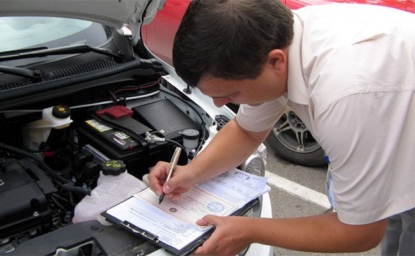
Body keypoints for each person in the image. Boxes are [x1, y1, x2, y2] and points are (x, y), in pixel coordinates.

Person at [148, 0, 415, 255]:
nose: (218, 103)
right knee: (394, 222)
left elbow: (361, 232)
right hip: (397, 134)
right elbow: (247, 131)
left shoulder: (345, 94)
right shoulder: (276, 41)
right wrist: (190, 174)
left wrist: (248, 230)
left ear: (276, 62)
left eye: (231, 94)